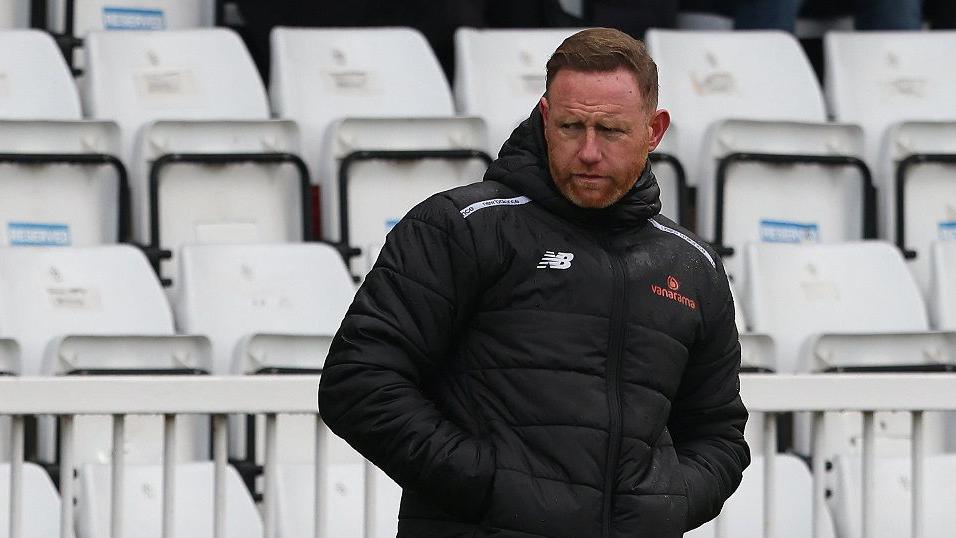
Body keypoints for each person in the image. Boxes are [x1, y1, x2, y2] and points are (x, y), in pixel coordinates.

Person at [318, 28, 749, 538]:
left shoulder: (692, 264)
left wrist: (666, 504)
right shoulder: (460, 225)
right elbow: (360, 382)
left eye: (609, 131)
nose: (588, 151)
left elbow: (719, 434)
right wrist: (490, 487)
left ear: (654, 131)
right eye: (571, 126)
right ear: (545, 119)